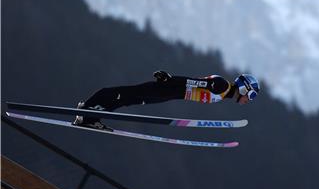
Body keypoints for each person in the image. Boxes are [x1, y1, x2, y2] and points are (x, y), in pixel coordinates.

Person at [73, 71, 260, 130]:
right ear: (244, 88)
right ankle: (86, 109)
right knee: (122, 94)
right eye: (251, 95)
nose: (248, 100)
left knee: (126, 100)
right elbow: (193, 82)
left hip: (168, 95)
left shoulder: (223, 93)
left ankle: (90, 117)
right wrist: (169, 79)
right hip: (168, 89)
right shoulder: (221, 86)